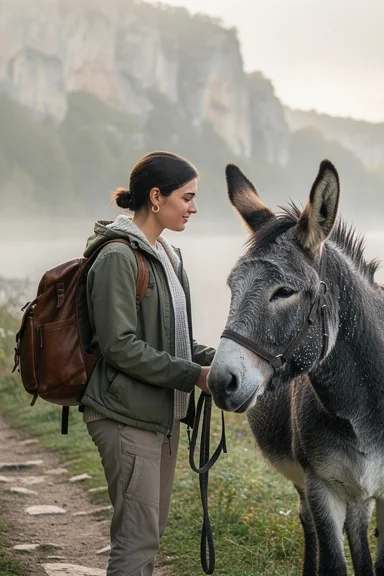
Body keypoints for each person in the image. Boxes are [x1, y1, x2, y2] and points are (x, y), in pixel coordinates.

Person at [80, 150, 216, 575]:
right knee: (136, 541)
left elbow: (173, 340)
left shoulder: (169, 257)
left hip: (162, 417)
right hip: (124, 415)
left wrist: (223, 363)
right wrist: (195, 375)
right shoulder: (118, 256)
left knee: (149, 534)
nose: (194, 207)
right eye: (187, 197)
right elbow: (119, 345)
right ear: (156, 197)